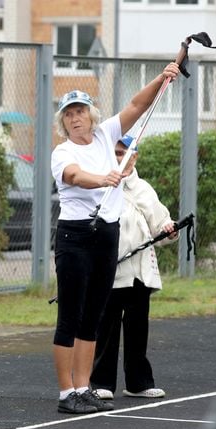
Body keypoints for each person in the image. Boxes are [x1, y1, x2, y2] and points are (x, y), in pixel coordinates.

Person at [50, 61, 180, 415]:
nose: (76, 119)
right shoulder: (63, 151)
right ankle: (66, 393)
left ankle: (83, 386)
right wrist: (102, 178)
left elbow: (137, 106)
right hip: (76, 235)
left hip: (106, 234)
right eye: (69, 115)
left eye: (80, 112)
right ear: (63, 122)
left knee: (93, 315)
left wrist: (161, 77)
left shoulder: (107, 133)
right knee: (70, 317)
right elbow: (74, 176)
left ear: (91, 116)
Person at [89, 135, 176, 399]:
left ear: (135, 157)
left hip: (140, 272)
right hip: (111, 273)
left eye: (126, 153)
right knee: (107, 328)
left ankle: (139, 382)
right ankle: (101, 383)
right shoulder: (99, 186)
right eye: (116, 153)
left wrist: (168, 230)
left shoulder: (144, 189)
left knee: (138, 327)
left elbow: (160, 221)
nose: (121, 158)